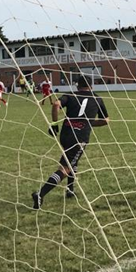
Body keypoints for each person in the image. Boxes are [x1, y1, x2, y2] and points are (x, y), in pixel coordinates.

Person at [32, 76, 109, 209]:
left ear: (77, 86)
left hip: (65, 134)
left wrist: (54, 124)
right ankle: (40, 194)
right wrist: (89, 122)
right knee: (65, 168)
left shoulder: (70, 95)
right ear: (91, 86)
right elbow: (106, 120)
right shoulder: (97, 98)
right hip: (79, 137)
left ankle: (70, 190)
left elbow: (56, 104)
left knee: (73, 160)